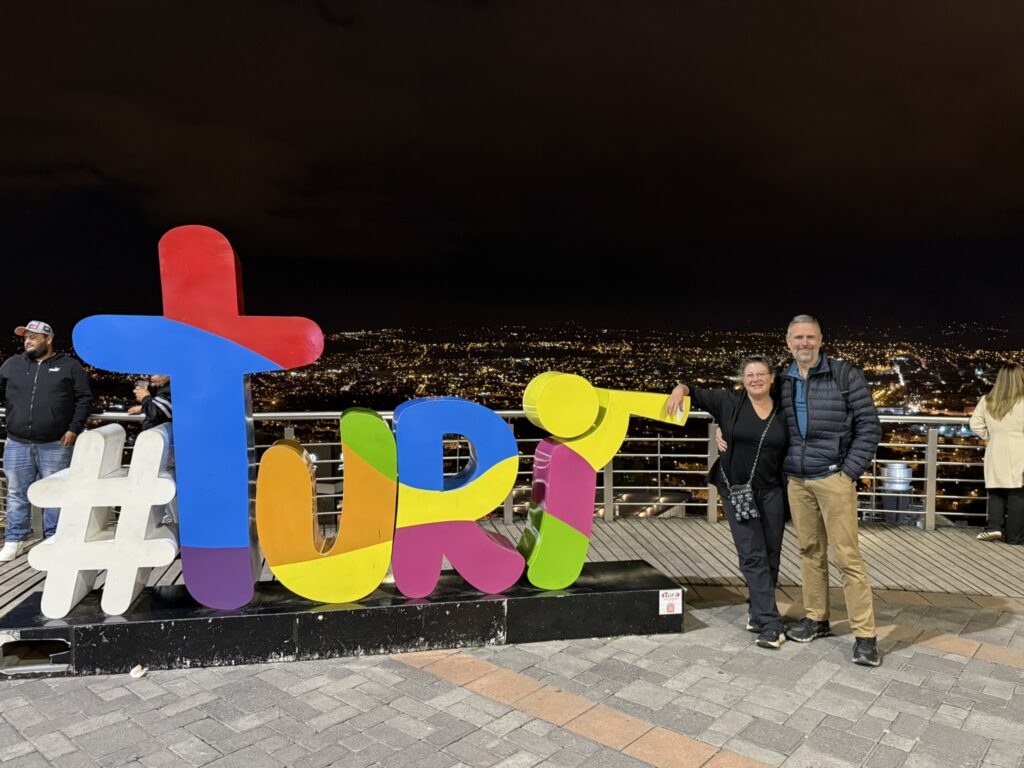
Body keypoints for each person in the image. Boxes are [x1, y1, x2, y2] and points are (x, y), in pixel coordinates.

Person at [778, 314, 883, 666]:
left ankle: (865, 635)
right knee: (809, 551)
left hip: (834, 478)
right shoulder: (784, 380)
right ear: (788, 342)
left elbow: (869, 426)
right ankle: (816, 619)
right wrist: (723, 430)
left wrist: (848, 472)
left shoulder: (844, 375)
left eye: (810, 337)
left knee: (847, 557)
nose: (804, 343)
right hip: (797, 480)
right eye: (798, 338)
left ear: (821, 340)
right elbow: (754, 409)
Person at [667, 355, 789, 649]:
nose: (755, 379)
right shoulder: (729, 402)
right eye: (750, 375)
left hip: (772, 490)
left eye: (761, 374)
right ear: (742, 380)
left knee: (771, 554)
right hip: (736, 490)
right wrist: (678, 390)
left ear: (772, 378)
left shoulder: (785, 408)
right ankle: (771, 624)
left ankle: (757, 611)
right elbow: (693, 390)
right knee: (752, 554)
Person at [0, 320, 93, 560]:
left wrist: (74, 429)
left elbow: (84, 398)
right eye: (25, 337)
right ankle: (15, 539)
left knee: (56, 494)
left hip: (56, 444)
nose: (27, 341)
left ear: (48, 339)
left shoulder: (70, 366)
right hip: (17, 442)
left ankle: (54, 539)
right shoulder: (12, 365)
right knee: (16, 493)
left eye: (33, 337)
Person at [969, 364, 1024, 545]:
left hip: (995, 449)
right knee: (1017, 493)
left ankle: (994, 526)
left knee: (996, 490)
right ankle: (1014, 536)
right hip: (1020, 450)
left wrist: (990, 436)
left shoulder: (987, 400)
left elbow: (975, 424)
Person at [128, 374, 176, 527]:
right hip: (164, 446)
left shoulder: (171, 389)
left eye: (157, 373)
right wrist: (144, 406)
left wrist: (145, 398)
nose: (152, 377)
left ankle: (166, 518)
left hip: (165, 448)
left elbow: (160, 412)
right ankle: (166, 517)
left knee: (164, 480)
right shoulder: (167, 388)